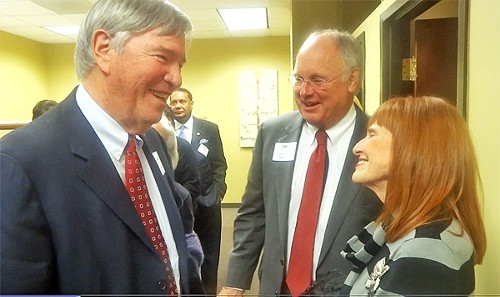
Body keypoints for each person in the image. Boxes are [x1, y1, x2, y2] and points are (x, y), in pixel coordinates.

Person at [0, 0, 204, 295]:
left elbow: (168, 254)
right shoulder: (20, 162)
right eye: (163, 57)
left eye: (180, 64)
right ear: (104, 49)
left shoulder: (152, 141)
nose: (177, 78)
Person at [219, 29, 382, 297]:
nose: (305, 92)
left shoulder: (380, 141)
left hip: (348, 289)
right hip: (277, 288)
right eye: (298, 79)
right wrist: (235, 281)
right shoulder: (272, 133)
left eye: (318, 80)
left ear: (352, 79)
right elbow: (254, 213)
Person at [328, 96, 486, 296]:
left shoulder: (424, 250)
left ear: (412, 148)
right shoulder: (400, 227)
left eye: (372, 134)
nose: (357, 147)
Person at [170, 87, 228, 295]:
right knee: (182, 250)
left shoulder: (209, 129)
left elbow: (219, 164)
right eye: (174, 102)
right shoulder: (164, 130)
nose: (178, 105)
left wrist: (218, 192)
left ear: (191, 104)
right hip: (181, 203)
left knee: (210, 252)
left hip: (208, 201)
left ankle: (210, 291)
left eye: (182, 101)